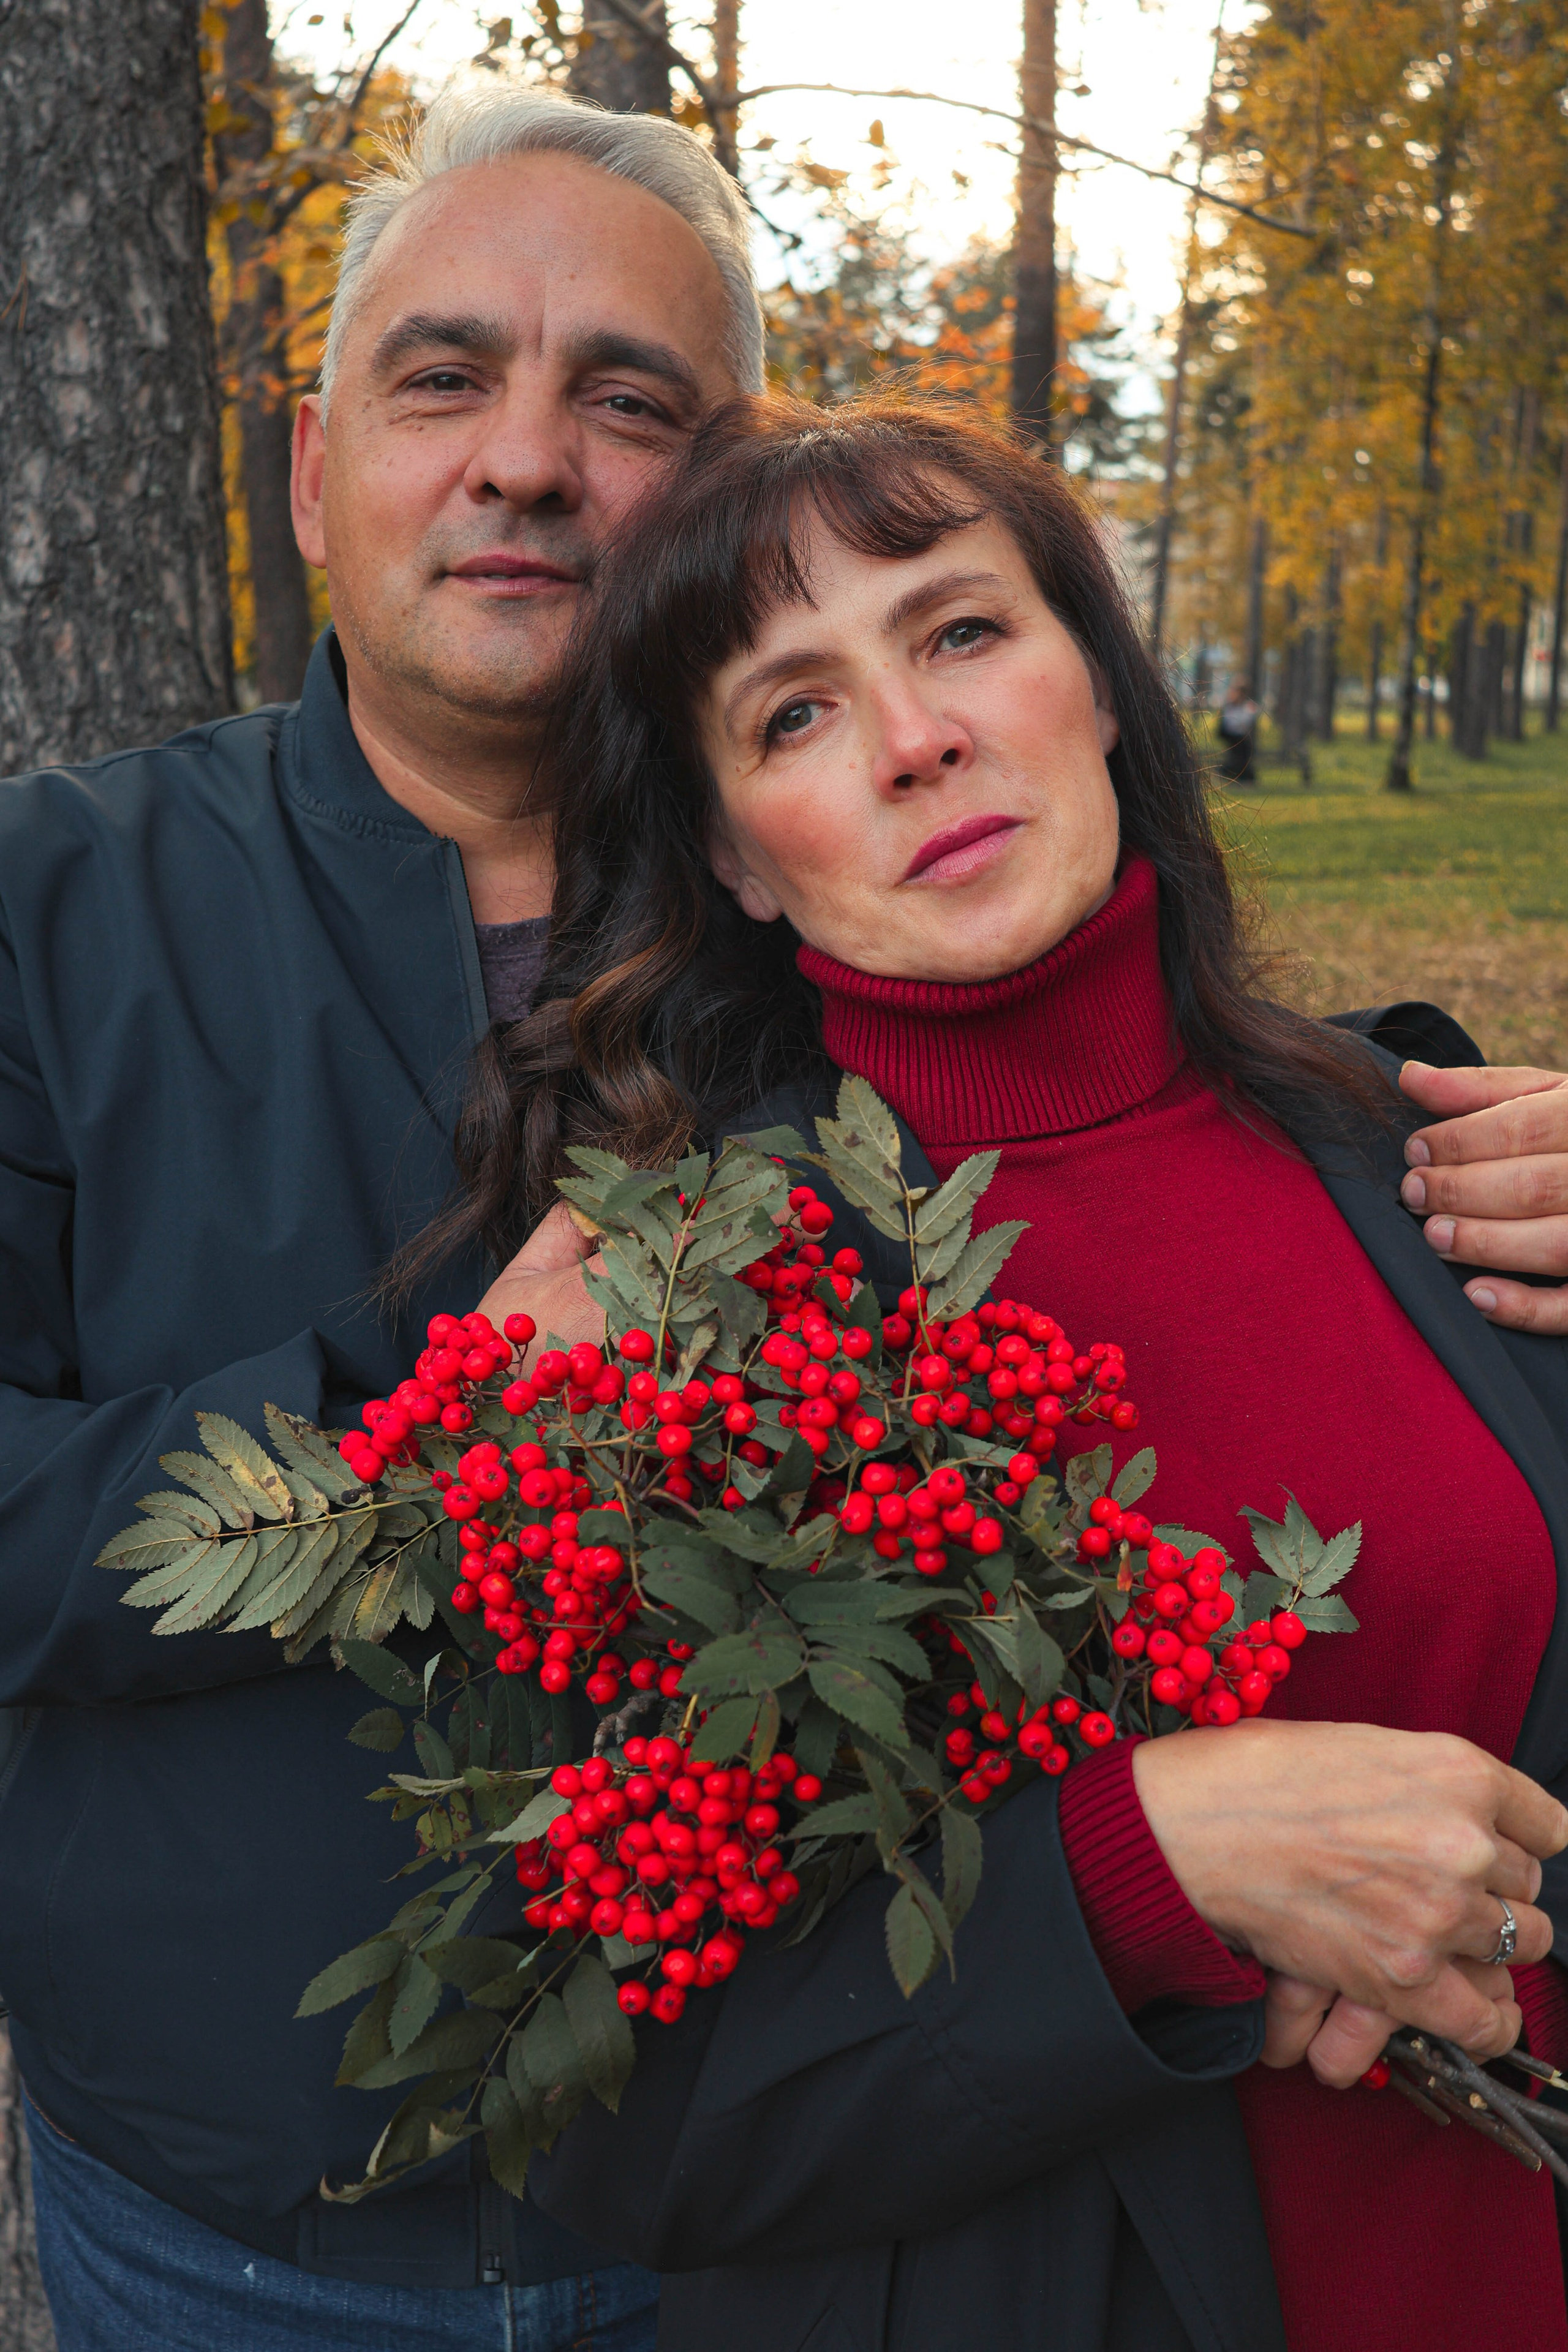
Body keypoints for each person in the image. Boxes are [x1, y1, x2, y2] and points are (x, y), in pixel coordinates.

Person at [443, 397, 1568, 2352]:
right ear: (738, 860)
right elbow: (616, 2115)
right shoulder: (685, 1336)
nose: (913, 736)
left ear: (1099, 684)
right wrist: (1149, 1865)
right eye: (793, 711)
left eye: (960, 630)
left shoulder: (1429, 1151)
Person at [0, 81, 761, 2352]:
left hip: (780, 2198)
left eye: (625, 404)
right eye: (443, 377)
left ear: (723, 501)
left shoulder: (834, 915)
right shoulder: (51, 906)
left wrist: (1436, 1109)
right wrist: (398, 1421)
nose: (525, 459)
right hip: (231, 2222)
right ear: (318, 468)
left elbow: (1153, 1123)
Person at [1216, 677, 1259, 782]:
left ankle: (1241, 774)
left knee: (1244, 751)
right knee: (1239, 751)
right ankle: (1232, 772)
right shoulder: (1229, 706)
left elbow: (1247, 721)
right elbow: (1230, 723)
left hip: (1241, 736)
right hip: (1230, 735)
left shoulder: (1248, 706)